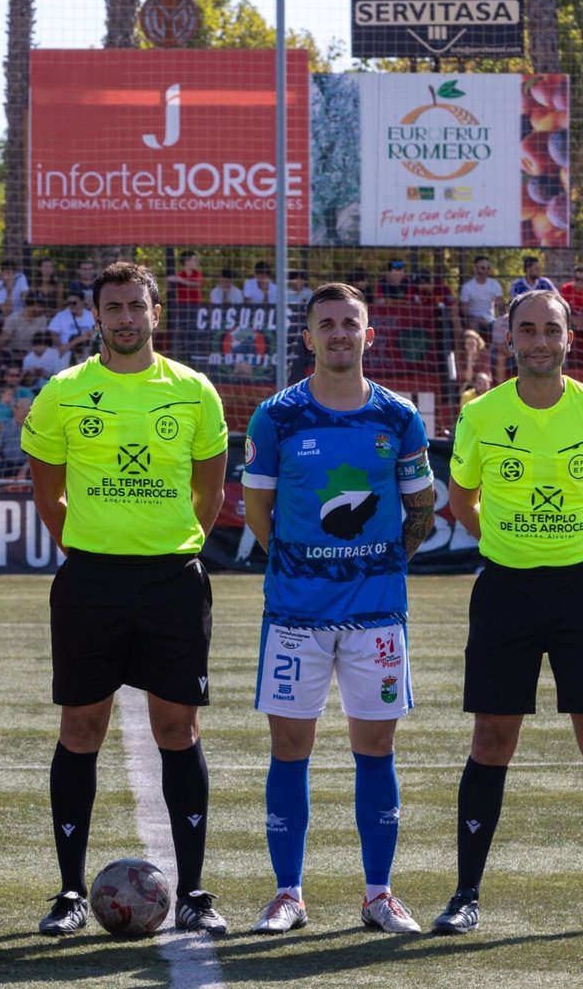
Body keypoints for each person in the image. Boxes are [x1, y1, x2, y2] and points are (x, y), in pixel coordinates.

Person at [436, 288, 583, 936]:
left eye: (551, 330)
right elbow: (461, 496)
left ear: (570, 338)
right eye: (527, 330)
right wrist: (498, 547)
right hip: (505, 592)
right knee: (492, 740)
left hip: (582, 594)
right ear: (509, 339)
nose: (540, 341)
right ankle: (465, 896)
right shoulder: (482, 414)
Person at [22, 261, 229, 936]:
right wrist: (87, 546)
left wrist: (170, 541)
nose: (125, 317)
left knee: (179, 730)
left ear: (155, 312)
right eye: (113, 307)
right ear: (96, 316)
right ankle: (69, 894)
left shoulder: (195, 392)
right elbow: (47, 490)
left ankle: (195, 892)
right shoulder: (63, 393)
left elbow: (210, 491)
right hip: (91, 583)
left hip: (172, 580)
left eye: (136, 305)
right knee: (81, 730)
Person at [240, 282, 436, 936]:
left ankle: (379, 894)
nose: (339, 334)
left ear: (369, 335)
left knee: (375, 749)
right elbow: (260, 518)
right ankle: (287, 895)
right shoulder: (276, 418)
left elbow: (421, 513)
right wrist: (306, 567)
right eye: (327, 324)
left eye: (350, 323)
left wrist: (375, 567)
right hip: (295, 615)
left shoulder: (399, 419)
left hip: (377, 616)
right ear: (308, 337)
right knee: (289, 747)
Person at [458, 256, 502, 339]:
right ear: (475, 269)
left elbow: (500, 304)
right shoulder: (467, 287)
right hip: (474, 320)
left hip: (491, 320)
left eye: (488, 268)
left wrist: (501, 319)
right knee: (473, 325)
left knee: (503, 326)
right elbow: (464, 310)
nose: (486, 270)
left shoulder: (495, 284)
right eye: (483, 268)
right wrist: (476, 319)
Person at [48, 290, 96, 363]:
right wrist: (60, 346)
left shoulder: (90, 315)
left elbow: (91, 334)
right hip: (66, 353)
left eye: (74, 303)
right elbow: (53, 332)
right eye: (69, 303)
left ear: (82, 302)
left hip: (85, 351)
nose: (71, 305)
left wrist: (68, 346)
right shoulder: (61, 315)